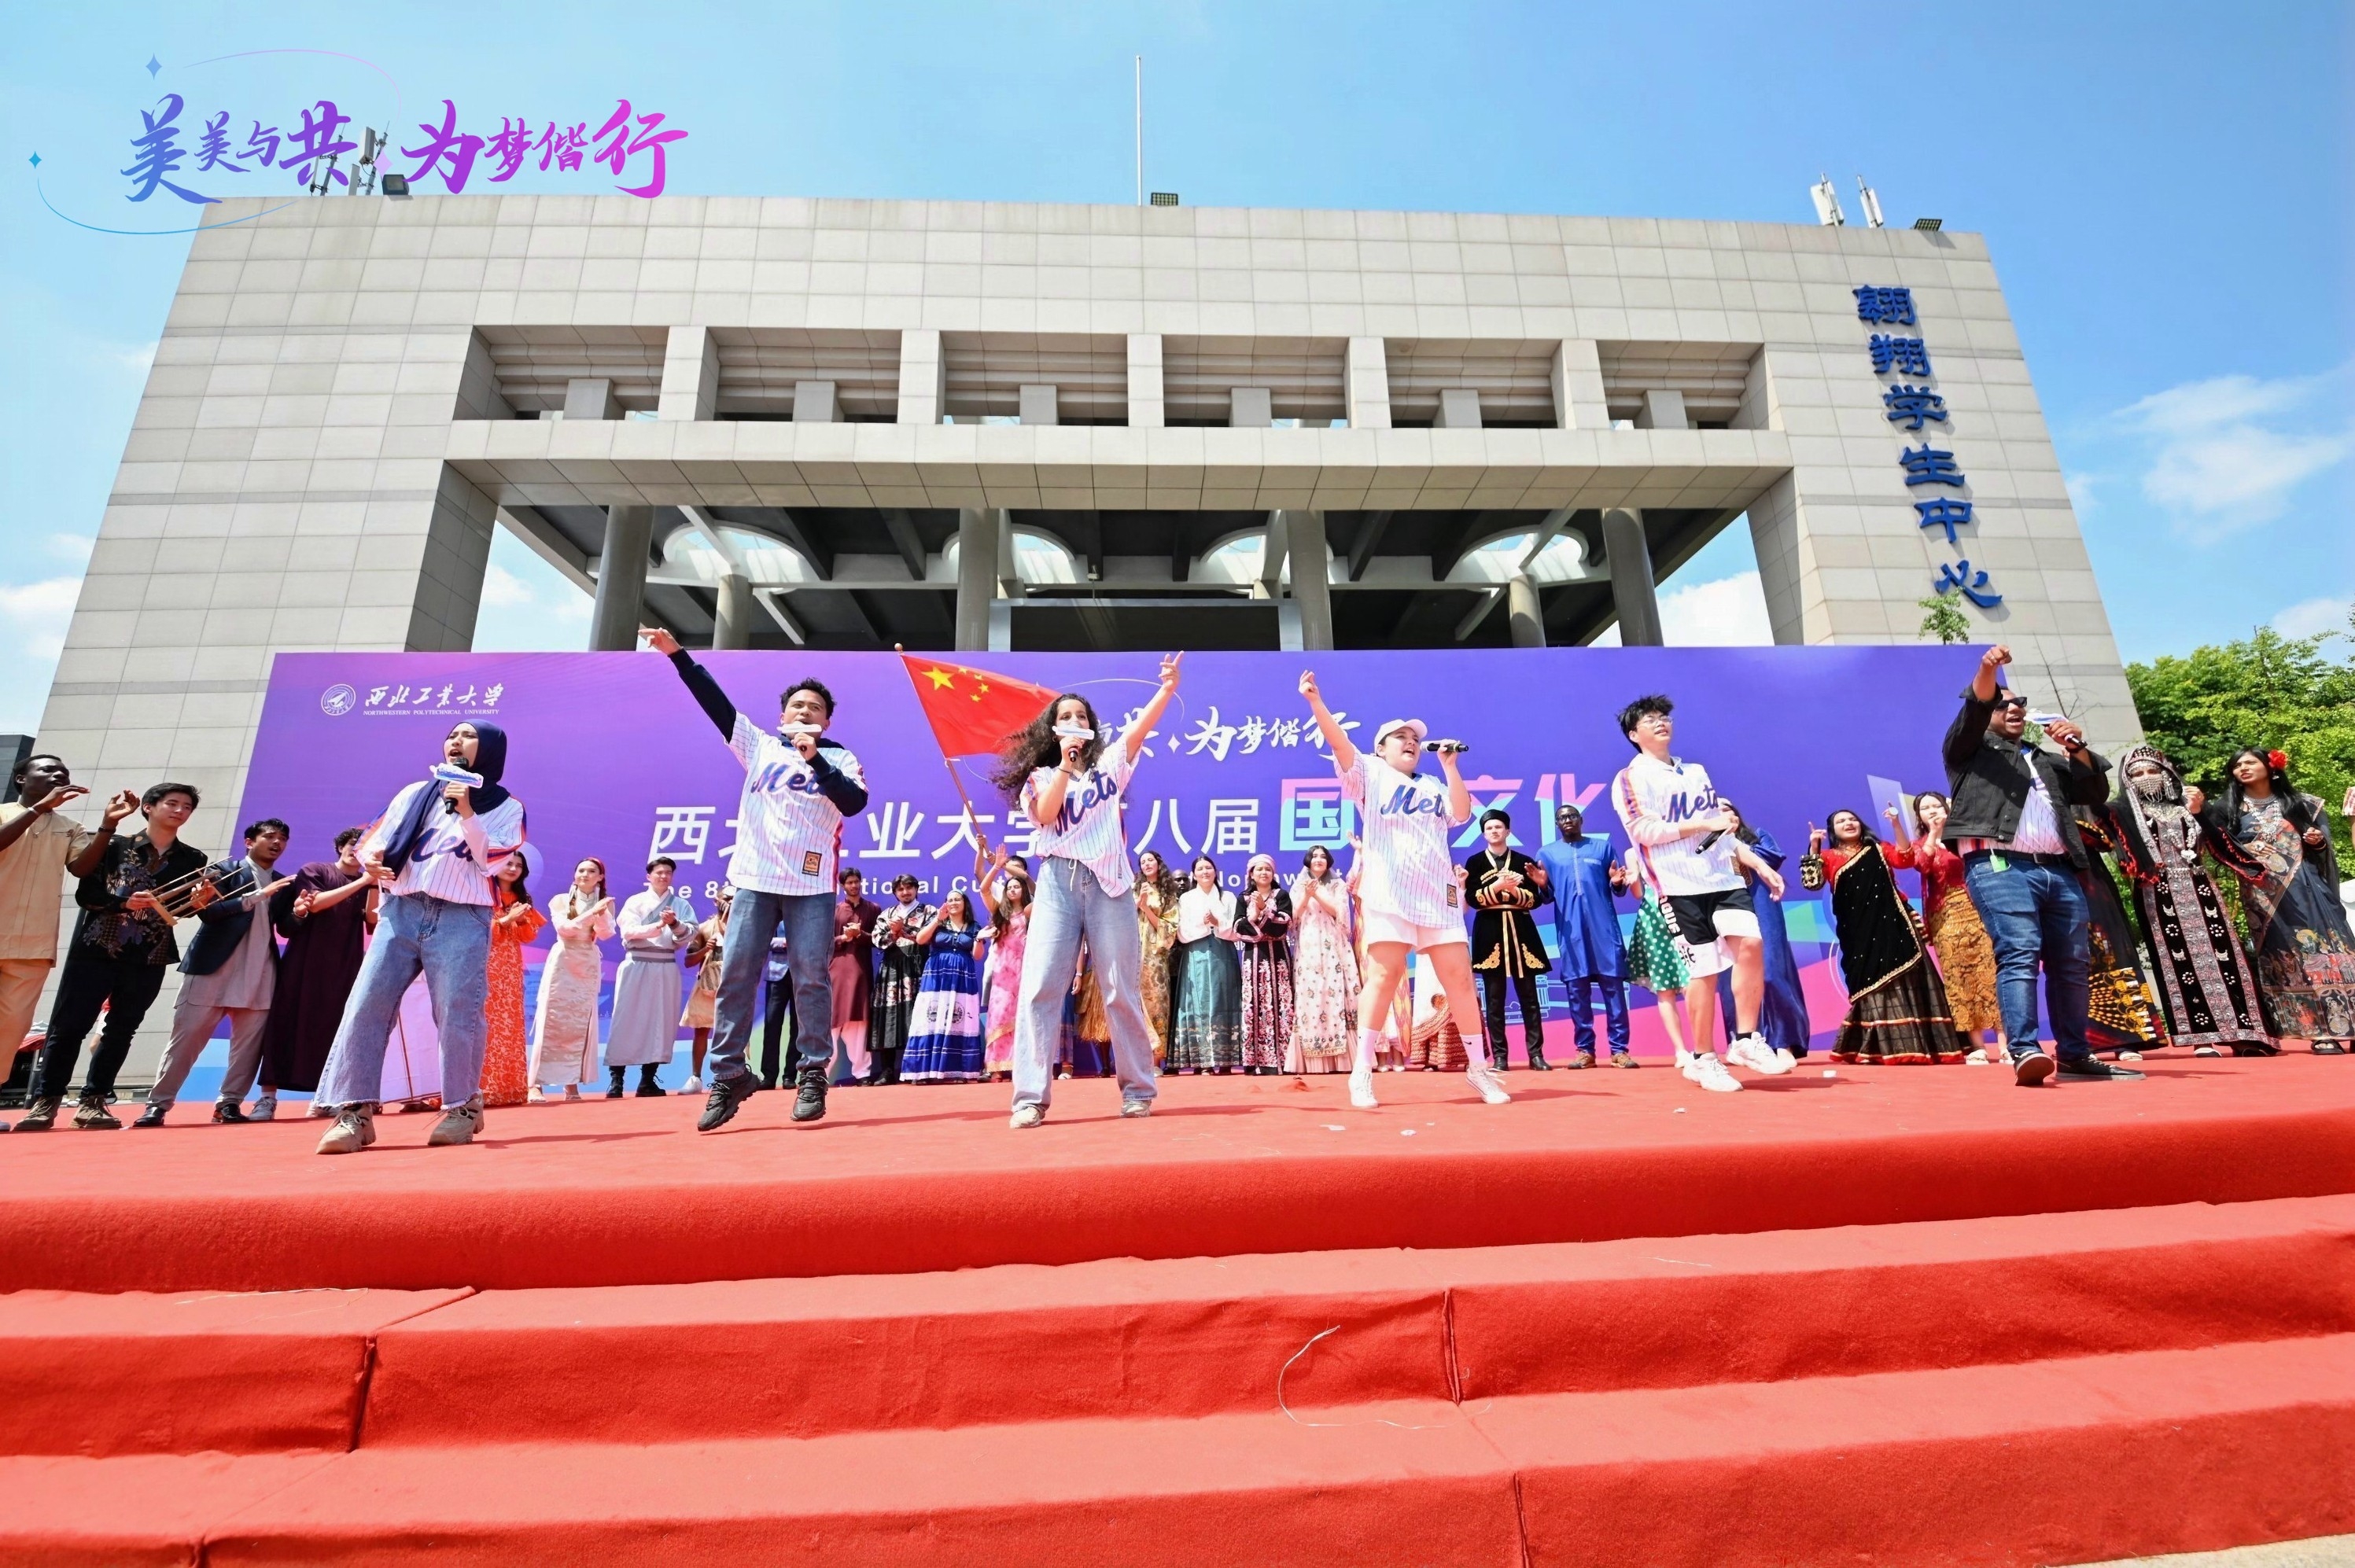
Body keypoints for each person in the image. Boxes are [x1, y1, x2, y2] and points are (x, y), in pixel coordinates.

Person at [639, 627, 869, 1131]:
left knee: (810, 977)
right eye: (796, 706)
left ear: (827, 721)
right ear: (782, 716)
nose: (804, 712)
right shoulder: (759, 745)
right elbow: (714, 702)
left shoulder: (841, 758)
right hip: (754, 880)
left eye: (814, 708)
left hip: (811, 886)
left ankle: (813, 1072)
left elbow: (853, 802)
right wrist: (678, 655)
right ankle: (729, 1075)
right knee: (737, 974)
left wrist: (815, 758)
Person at [1299, 671, 1510, 1110]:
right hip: (1390, 893)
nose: (1411, 743)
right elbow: (1340, 745)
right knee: (1384, 976)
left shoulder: (1432, 784)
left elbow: (1461, 813)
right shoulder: (1369, 773)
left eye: (1415, 739)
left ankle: (1478, 1068)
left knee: (1459, 979)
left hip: (1438, 895)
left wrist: (1450, 767)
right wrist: (1317, 703)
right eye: (1401, 737)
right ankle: (1362, 1071)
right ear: (1381, 748)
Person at [312, 723, 528, 1153]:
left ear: (489, 750)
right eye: (452, 735)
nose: (455, 742)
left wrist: (467, 812)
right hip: (401, 910)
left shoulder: (507, 807)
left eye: (468, 736)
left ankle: (462, 1108)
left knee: (458, 1014)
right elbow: (373, 842)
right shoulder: (414, 793)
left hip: (462, 916)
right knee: (365, 1005)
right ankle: (354, 1112)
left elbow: (493, 861)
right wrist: (374, 862)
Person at [993, 653, 1183, 1128]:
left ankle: (1138, 1089)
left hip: (1110, 886)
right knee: (1041, 987)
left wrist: (1166, 689)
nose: (1075, 722)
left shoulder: (1110, 767)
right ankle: (1030, 1098)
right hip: (1058, 884)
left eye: (1082, 717)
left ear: (1092, 728)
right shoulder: (1040, 777)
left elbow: (1139, 730)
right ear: (1053, 729)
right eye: (1066, 717)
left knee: (1120, 989)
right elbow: (1045, 814)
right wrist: (1063, 766)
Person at [1939, 646, 2137, 1086]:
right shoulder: (1967, 751)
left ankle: (2075, 1054)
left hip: (2058, 869)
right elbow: (1976, 706)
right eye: (2002, 704)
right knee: (2020, 950)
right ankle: (2025, 1050)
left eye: (2019, 704)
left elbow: (2093, 792)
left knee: (2072, 962)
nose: (2013, 709)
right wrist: (1988, 668)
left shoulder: (2044, 759)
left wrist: (2076, 748)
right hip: (1998, 865)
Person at [1609, 694, 1792, 1095]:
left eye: (1664, 717)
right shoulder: (1630, 777)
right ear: (1634, 734)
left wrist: (1759, 865)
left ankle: (1746, 1040)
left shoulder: (1695, 771)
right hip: (1677, 885)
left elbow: (1720, 831)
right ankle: (1704, 1058)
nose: (1661, 723)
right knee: (1704, 972)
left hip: (1722, 878)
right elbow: (1644, 831)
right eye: (1650, 719)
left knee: (1751, 944)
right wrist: (1701, 824)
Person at [20, 782, 216, 1132]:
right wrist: (123, 903)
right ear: (149, 807)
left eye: (187, 807)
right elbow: (87, 894)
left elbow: (177, 911)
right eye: (172, 803)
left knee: (122, 1029)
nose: (179, 811)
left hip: (150, 953)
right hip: (97, 947)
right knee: (69, 1027)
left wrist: (198, 902)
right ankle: (45, 1101)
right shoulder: (113, 846)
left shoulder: (193, 859)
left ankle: (94, 1101)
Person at [2107, 747, 2275, 1057]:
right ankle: (2201, 1038)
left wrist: (2198, 812)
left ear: (2167, 773)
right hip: (2157, 892)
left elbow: (2219, 842)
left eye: (2152, 770)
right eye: (2137, 773)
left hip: (2201, 887)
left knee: (2225, 956)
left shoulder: (2188, 804)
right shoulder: (2123, 811)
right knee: (2177, 961)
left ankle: (2244, 1033)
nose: (2146, 778)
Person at [0, 755, 133, 1129]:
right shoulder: (4, 813)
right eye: (47, 770)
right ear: (21, 779)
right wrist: (38, 809)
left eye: (64, 772)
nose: (59, 775)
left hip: (33, 941)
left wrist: (108, 825)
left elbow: (81, 869)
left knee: (11, 1027)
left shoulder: (69, 827)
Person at [135, 818, 297, 1125]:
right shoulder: (224, 871)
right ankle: (157, 1105)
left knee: (248, 1048)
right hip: (212, 968)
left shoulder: (283, 883)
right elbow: (208, 913)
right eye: (270, 836)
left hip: (259, 971)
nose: (277, 842)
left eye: (283, 838)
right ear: (249, 841)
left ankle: (229, 1103)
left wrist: (299, 912)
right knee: (185, 1041)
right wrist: (258, 895)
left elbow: (286, 928)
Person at [2203, 746, 2355, 1054]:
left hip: (2308, 890)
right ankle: (2317, 1032)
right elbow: (2218, 848)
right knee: (2286, 958)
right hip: (2263, 898)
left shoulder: (2299, 803)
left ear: (2270, 767)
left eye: (2250, 762)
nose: (2243, 768)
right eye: (2237, 765)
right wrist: (2248, 851)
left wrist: (2317, 841)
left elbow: (2321, 851)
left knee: (2329, 952)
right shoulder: (2226, 808)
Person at [1800, 810, 1971, 1064]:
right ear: (1832, 830)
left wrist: (1896, 824)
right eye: (1841, 821)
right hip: (1857, 933)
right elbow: (1811, 883)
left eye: (1852, 819)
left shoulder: (1878, 849)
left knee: (1909, 979)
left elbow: (1905, 858)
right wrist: (1814, 847)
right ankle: (1874, 1048)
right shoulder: (1828, 857)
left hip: (1894, 926)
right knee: (1869, 982)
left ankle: (1922, 1045)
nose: (1848, 823)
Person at [260, 826, 377, 1117]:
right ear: (340, 847)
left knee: (336, 1029)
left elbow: (372, 920)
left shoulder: (368, 882)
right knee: (286, 1022)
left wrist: (374, 884)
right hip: (304, 961)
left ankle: (326, 1096)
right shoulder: (315, 870)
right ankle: (267, 1098)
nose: (356, 851)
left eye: (364, 848)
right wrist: (364, 881)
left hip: (346, 964)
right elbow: (316, 904)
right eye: (353, 845)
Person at [1883, 793, 2001, 1055]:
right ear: (1919, 816)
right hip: (1944, 916)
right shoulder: (1921, 844)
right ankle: (1977, 1046)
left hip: (1980, 909)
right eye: (1926, 808)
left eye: (1937, 805)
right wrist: (1935, 834)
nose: (1933, 811)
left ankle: (2006, 1045)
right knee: (1958, 978)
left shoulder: (1967, 837)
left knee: (1992, 973)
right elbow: (1922, 865)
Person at [1537, 801, 1633, 1068]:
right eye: (1562, 817)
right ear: (1556, 824)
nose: (1567, 820)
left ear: (1581, 820)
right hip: (1571, 934)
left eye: (1572, 815)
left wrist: (1617, 883)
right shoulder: (1547, 854)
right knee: (1577, 993)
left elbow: (1617, 888)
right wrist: (1543, 886)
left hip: (1604, 931)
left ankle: (1619, 1050)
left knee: (1614, 991)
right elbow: (1546, 897)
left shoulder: (1602, 848)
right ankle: (1585, 1051)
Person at [2071, 805, 2167, 1059]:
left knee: (2110, 949)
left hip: (2089, 877)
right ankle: (2079, 1043)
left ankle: (2126, 1039)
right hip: (2047, 874)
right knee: (2067, 959)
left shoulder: (2077, 796)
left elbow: (2104, 840)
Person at [1718, 801, 1811, 1061]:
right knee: (1732, 981)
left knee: (1772, 973)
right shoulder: (1706, 848)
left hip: (1763, 910)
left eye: (1728, 809)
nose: (1725, 814)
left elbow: (1773, 858)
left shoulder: (1758, 836)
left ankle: (1784, 1042)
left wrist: (1735, 845)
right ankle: (1742, 1041)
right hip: (1728, 913)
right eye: (1718, 811)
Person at [1465, 808, 1554, 1072]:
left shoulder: (1524, 862)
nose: (1494, 831)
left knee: (1530, 997)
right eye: (1489, 828)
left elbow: (1536, 900)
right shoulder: (1475, 862)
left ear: (1508, 831)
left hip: (1521, 930)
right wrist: (1497, 887)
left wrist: (1515, 892)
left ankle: (1536, 1055)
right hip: (1489, 930)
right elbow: (1472, 898)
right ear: (1483, 834)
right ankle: (1500, 1057)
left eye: (1498, 827)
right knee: (1494, 999)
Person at [607, 858, 694, 1097]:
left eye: (668, 873)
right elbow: (628, 931)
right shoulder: (635, 902)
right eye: (659, 872)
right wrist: (659, 925)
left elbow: (689, 933)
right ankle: (616, 1081)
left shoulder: (680, 904)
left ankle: (647, 1081)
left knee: (661, 1021)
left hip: (665, 964)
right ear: (649, 876)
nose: (663, 876)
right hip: (636, 963)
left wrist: (674, 923)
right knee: (625, 1019)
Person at [529, 857, 613, 1101]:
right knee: (552, 1020)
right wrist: (592, 913)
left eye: (592, 871)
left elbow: (606, 934)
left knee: (579, 1023)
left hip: (587, 963)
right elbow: (565, 929)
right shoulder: (560, 900)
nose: (585, 874)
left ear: (600, 877)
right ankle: (535, 1084)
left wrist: (601, 914)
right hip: (563, 960)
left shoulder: (605, 903)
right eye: (581, 870)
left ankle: (571, 1084)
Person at [481, 846, 545, 1109]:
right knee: (484, 1023)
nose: (513, 869)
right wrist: (507, 919)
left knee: (508, 1024)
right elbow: (477, 930)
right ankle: (479, 1089)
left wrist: (520, 920)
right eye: (508, 863)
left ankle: (507, 1089)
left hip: (509, 968)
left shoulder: (522, 898)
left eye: (518, 866)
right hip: (482, 964)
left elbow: (528, 936)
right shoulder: (481, 893)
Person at [1621, 848, 1697, 1069]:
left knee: (1693, 985)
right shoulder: (1632, 853)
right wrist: (1633, 879)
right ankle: (1680, 1051)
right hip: (1654, 921)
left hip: (1685, 914)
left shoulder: (1677, 844)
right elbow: (1638, 893)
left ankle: (1702, 1048)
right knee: (1665, 989)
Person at [1167, 854, 1242, 1072]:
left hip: (1223, 954)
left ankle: (1226, 1060)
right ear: (1194, 875)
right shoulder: (1186, 899)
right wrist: (1204, 925)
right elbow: (1182, 933)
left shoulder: (1228, 897)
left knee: (1224, 1000)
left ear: (1215, 871)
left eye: (1208, 868)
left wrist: (1218, 924)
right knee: (1198, 1003)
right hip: (1196, 955)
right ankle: (1202, 1062)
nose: (1205, 872)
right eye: (1200, 869)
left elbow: (1237, 930)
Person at [1287, 844, 1358, 1075]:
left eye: (1322, 856)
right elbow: (1293, 917)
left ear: (1328, 862)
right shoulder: (1298, 886)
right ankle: (1312, 1057)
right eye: (1314, 856)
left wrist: (1316, 893)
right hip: (1308, 944)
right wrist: (1306, 896)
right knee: (1311, 993)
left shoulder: (1337, 885)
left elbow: (1340, 913)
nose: (1318, 859)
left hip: (1332, 943)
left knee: (1334, 992)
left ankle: (1342, 1058)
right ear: (1308, 861)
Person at [903, 888, 986, 1081]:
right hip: (936, 977)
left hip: (962, 979)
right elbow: (920, 939)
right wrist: (937, 920)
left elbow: (977, 955)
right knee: (931, 1019)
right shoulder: (938, 922)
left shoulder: (974, 926)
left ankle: (957, 1071)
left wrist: (980, 938)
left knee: (959, 1021)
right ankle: (922, 1072)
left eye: (958, 899)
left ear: (965, 903)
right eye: (950, 900)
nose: (954, 903)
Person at [1230, 853, 1295, 1073]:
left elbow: (1282, 926)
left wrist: (1263, 911)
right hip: (1254, 958)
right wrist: (1254, 914)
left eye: (1267, 869)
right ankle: (1256, 1062)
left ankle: (1284, 1061)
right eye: (1259, 869)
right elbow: (1238, 927)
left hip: (1278, 957)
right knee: (1255, 1005)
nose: (1264, 873)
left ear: (1273, 873)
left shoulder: (1282, 895)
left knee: (1282, 1004)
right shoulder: (1243, 898)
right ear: (1251, 874)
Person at [868, 874, 934, 1085]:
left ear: (916, 889)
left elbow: (929, 937)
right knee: (888, 1017)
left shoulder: (929, 911)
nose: (905, 892)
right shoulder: (886, 914)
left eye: (909, 888)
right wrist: (893, 932)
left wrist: (901, 930)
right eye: (900, 889)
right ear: (895, 893)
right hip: (891, 970)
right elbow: (878, 940)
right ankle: (887, 1071)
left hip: (917, 968)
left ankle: (916, 1069)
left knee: (916, 1017)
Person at [980, 852, 1030, 1080]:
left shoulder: (1031, 911)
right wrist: (996, 867)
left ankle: (1021, 1066)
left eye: (1016, 887)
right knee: (1000, 1015)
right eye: (1009, 887)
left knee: (1024, 1017)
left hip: (1025, 970)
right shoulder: (999, 912)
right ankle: (997, 1067)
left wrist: (1009, 868)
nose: (1012, 890)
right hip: (1002, 974)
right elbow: (984, 889)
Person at [831, 868, 882, 1085]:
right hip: (836, 972)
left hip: (861, 972)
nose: (854, 886)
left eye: (856, 882)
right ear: (842, 885)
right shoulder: (834, 910)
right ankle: (820, 1074)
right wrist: (843, 937)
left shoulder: (873, 909)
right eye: (849, 882)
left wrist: (860, 935)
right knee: (831, 1023)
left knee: (859, 1024)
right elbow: (824, 942)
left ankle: (862, 1073)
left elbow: (879, 940)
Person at [680, 885, 733, 1094]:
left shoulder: (744, 928)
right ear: (716, 901)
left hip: (733, 988)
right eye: (726, 899)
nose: (729, 903)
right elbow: (688, 961)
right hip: (707, 988)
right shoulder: (704, 928)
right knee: (701, 1030)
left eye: (734, 899)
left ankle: (730, 1076)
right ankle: (696, 1078)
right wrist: (706, 949)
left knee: (732, 1032)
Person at [1134, 848, 1182, 1062]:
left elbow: (1169, 929)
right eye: (1143, 862)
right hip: (1133, 954)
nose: (1147, 864)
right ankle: (1136, 1060)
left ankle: (1155, 1059)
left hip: (1155, 958)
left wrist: (1146, 908)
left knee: (1157, 1003)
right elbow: (1120, 920)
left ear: (1158, 863)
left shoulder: (1168, 894)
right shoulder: (1133, 889)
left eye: (1150, 860)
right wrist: (1137, 903)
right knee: (1134, 1004)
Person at [757, 915, 795, 1088]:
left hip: (801, 975)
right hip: (776, 975)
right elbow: (764, 941)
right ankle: (769, 1076)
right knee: (772, 1025)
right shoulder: (774, 916)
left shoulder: (805, 915)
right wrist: (784, 942)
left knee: (798, 1027)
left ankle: (790, 1076)